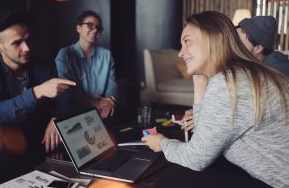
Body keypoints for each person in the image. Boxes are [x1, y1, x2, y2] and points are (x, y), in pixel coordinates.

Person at [142, 11, 289, 188]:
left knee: (179, 174)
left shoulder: (229, 82)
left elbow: (195, 158)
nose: (181, 53)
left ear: (214, 39)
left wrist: (162, 143)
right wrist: (199, 81)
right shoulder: (248, 72)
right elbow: (203, 134)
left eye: (187, 41)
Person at [0, 9, 75, 184]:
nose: (27, 48)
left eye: (27, 40)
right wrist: (38, 92)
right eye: (17, 43)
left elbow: (66, 95)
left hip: (34, 138)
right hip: (0, 143)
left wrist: (56, 118)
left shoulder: (42, 66)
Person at [55, 10, 117, 119]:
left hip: (102, 109)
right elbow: (67, 89)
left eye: (98, 28)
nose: (95, 30)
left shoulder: (106, 55)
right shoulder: (64, 54)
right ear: (78, 28)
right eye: (90, 25)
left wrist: (109, 101)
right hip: (74, 110)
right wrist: (93, 103)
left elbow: (111, 83)